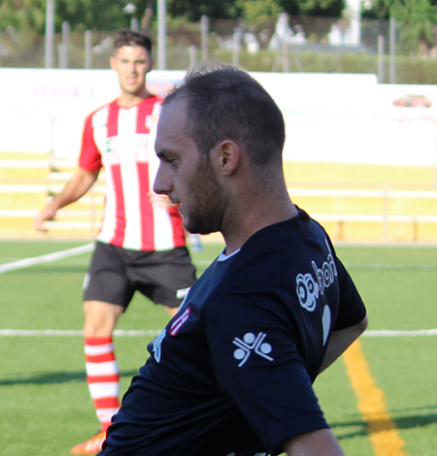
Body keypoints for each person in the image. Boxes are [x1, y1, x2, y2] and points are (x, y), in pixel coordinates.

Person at [98, 66, 369, 456]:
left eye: (171, 160)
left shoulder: (240, 299)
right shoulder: (307, 236)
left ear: (226, 157)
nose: (159, 183)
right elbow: (351, 321)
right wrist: (254, 404)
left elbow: (316, 447)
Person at [33, 30, 197, 455]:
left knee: (201, 337)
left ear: (149, 65)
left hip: (165, 247)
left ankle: (221, 423)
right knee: (95, 329)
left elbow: (193, 165)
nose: (132, 69)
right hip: (113, 246)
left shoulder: (168, 113)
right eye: (125, 61)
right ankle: (111, 430)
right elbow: (86, 173)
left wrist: (176, 190)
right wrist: (56, 203)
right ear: (113, 64)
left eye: (140, 61)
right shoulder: (98, 120)